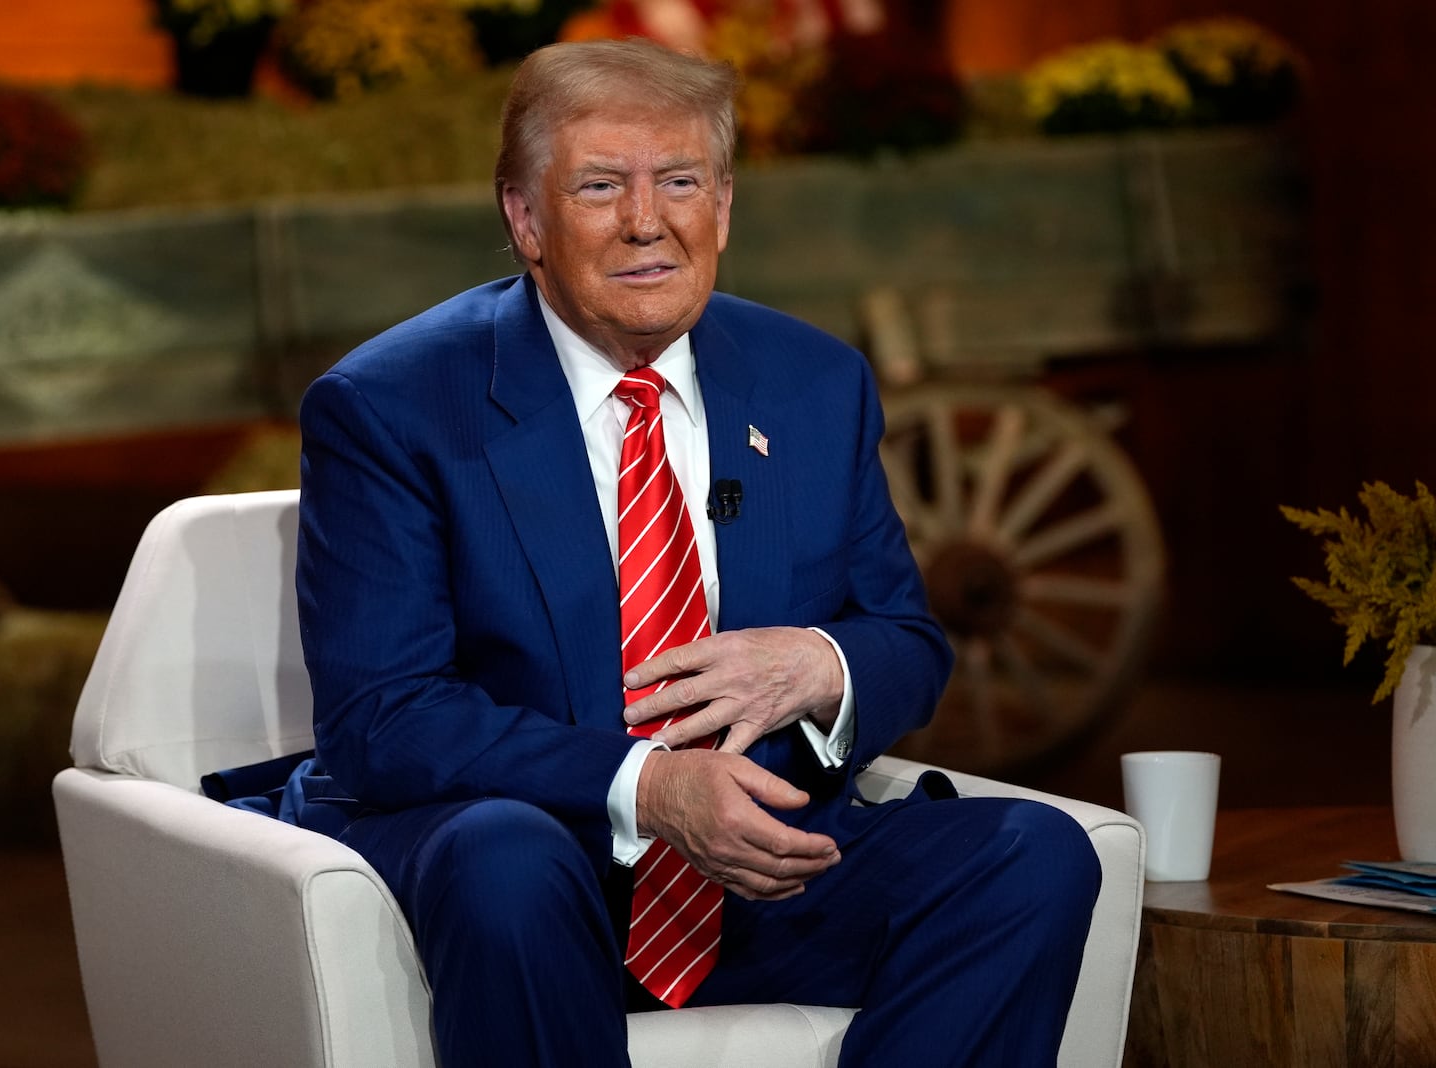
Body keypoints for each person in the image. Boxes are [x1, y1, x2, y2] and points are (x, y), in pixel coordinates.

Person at [289, 36, 1101, 1068]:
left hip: (756, 875)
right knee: (507, 859)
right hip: (536, 866)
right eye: (598, 186)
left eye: (679, 181)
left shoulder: (812, 381)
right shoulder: (393, 406)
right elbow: (381, 717)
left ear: (721, 206)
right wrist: (650, 786)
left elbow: (905, 639)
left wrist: (823, 666)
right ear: (524, 219)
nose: (646, 220)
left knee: (1032, 855)